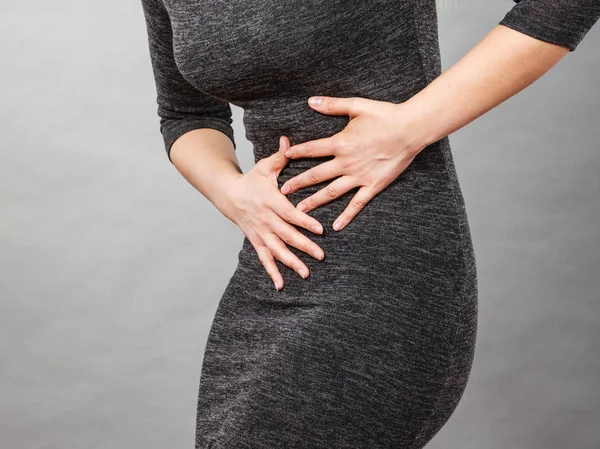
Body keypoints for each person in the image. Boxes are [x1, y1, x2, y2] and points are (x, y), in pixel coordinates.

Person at [140, 0, 599, 447]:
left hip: (386, 267)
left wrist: (409, 127)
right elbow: (186, 114)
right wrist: (232, 192)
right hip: (273, 275)